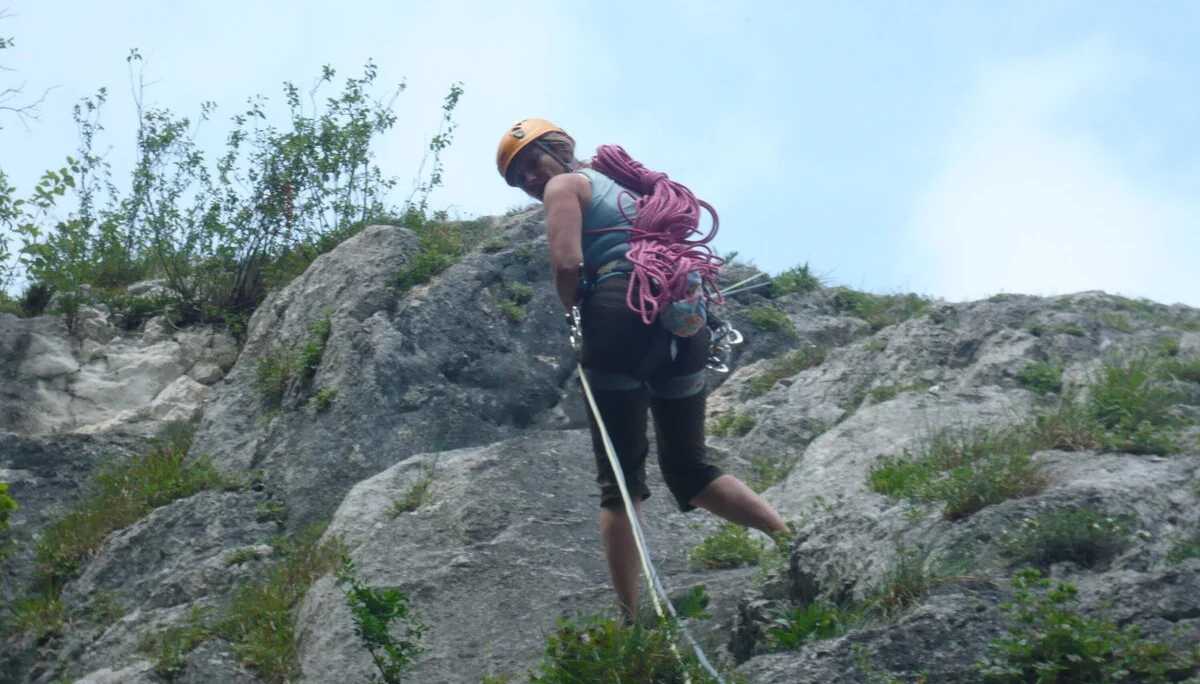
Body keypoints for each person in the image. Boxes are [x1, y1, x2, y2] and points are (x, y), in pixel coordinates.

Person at [495, 118, 789, 621]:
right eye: (517, 177)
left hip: (617, 316)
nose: (528, 178)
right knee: (691, 470)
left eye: (531, 162)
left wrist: (574, 313)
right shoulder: (631, 188)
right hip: (683, 321)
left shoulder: (566, 186)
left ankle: (631, 620)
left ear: (559, 149)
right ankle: (789, 540)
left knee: (620, 485)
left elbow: (567, 264)